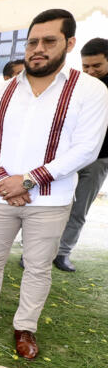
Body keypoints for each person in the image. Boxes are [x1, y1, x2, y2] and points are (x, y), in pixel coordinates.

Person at [0, 9, 108, 359]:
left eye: (49, 41)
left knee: (38, 266)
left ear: (69, 43)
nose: (38, 49)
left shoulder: (90, 90)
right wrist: (1, 180)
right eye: (32, 42)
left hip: (51, 199)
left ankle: (25, 328)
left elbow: (86, 148)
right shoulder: (2, 90)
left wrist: (26, 180)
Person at [53, 38, 108, 271]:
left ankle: (63, 253)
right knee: (53, 203)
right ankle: (35, 251)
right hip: (68, 156)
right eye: (86, 66)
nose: (90, 71)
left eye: (97, 66)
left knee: (79, 208)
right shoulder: (79, 86)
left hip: (99, 160)